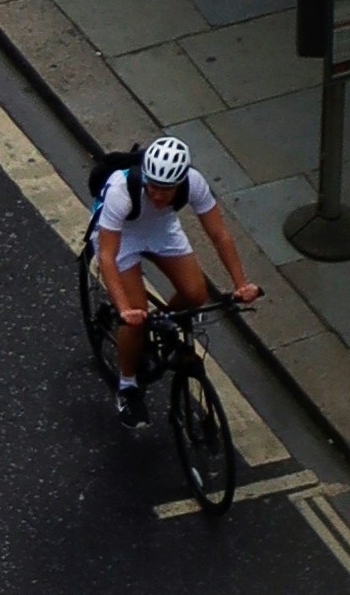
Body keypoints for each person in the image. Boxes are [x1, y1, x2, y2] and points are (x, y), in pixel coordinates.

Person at [91, 132, 265, 416]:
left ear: (181, 182)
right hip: (122, 235)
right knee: (135, 317)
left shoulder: (194, 183)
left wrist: (241, 284)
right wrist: (124, 310)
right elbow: (108, 256)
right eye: (153, 187)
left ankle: (159, 324)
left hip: (161, 229)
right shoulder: (120, 192)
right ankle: (127, 386)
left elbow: (219, 235)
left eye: (167, 189)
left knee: (195, 294)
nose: (159, 195)